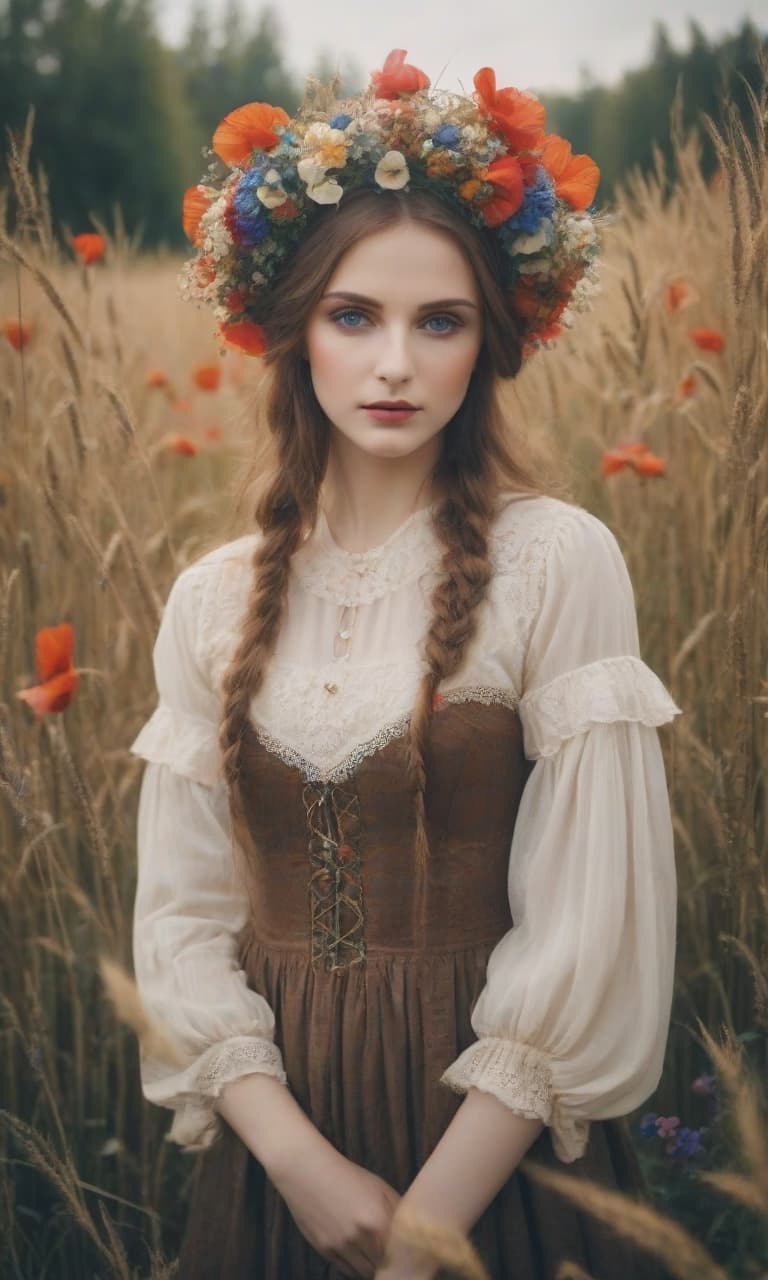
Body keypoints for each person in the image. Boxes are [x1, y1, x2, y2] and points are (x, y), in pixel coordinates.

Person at [130, 48, 682, 1280]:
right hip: (282, 1157)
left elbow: (590, 924)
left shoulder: (557, 562)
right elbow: (181, 917)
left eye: (439, 321)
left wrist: (425, 1230)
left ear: (489, 342)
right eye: (353, 316)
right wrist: (299, 1162)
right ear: (294, 333)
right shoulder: (211, 599)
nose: (393, 364)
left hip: (495, 1148)